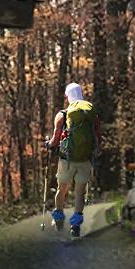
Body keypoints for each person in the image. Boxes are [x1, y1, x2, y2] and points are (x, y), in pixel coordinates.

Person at [45, 82, 101, 237]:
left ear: (68, 96)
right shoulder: (91, 113)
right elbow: (98, 136)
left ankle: (58, 219)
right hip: (85, 159)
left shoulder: (62, 115)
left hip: (67, 160)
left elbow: (55, 140)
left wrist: (48, 144)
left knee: (62, 189)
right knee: (79, 192)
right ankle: (75, 225)